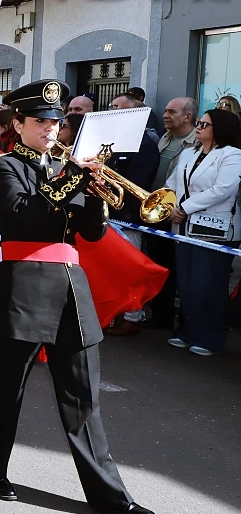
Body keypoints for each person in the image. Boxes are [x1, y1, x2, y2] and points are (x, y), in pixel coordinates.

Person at [0, 79, 155, 514]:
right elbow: (23, 219)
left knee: (83, 397)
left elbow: (91, 234)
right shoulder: (3, 167)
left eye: (56, 122)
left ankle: (112, 497)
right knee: (6, 385)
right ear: (17, 123)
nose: (51, 129)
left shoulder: (65, 166)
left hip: (71, 286)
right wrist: (71, 178)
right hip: (22, 284)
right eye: (41, 121)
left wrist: (95, 195)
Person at [165, 108, 241, 356]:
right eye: (199, 123)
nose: (198, 127)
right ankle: (187, 331)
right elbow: (173, 183)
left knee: (207, 285)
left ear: (218, 129)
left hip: (215, 230)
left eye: (204, 124)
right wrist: (172, 206)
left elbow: (223, 189)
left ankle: (209, 337)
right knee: (186, 283)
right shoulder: (189, 153)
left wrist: (185, 208)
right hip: (183, 226)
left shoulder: (233, 155)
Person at [101, 94, 160, 336]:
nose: (112, 110)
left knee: (130, 270)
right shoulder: (115, 139)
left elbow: (139, 181)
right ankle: (114, 313)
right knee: (111, 270)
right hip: (111, 214)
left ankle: (132, 317)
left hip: (128, 216)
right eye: (112, 107)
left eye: (118, 108)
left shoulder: (144, 143)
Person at [144, 97, 200, 331]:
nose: (165, 115)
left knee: (177, 269)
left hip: (178, 215)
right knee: (159, 264)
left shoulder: (196, 143)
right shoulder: (164, 138)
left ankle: (181, 321)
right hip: (156, 212)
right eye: (165, 111)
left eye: (171, 112)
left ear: (187, 116)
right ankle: (160, 316)